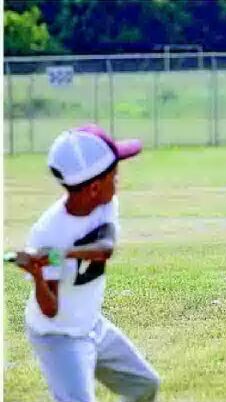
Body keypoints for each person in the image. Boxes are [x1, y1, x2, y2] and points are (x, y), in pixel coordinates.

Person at [12, 124, 160, 401]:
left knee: (143, 385)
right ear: (94, 187)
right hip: (58, 336)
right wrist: (38, 275)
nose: (117, 182)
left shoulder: (105, 205)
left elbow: (105, 248)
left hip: (92, 326)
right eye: (113, 176)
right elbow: (49, 309)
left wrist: (61, 253)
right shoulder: (48, 232)